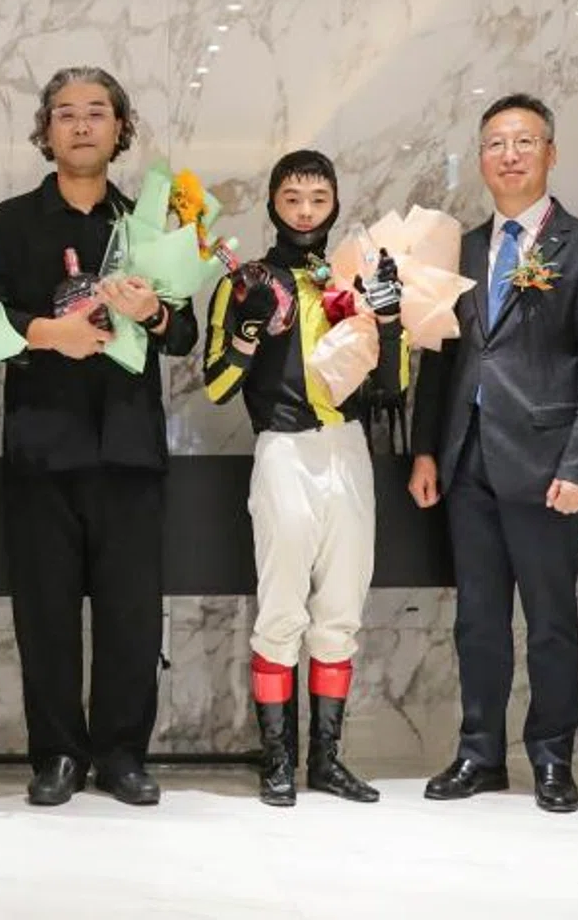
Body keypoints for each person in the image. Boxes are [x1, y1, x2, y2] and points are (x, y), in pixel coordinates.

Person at [0, 66, 199, 808]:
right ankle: (58, 756)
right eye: (65, 113)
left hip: (130, 450)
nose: (80, 125)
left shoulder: (150, 222)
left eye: (96, 112)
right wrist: (49, 333)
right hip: (42, 449)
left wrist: (154, 312)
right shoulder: (9, 222)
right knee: (45, 615)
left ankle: (124, 754)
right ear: (45, 131)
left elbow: (185, 328)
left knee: (133, 615)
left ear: (119, 128)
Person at [410, 92, 578, 814]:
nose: (509, 155)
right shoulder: (462, 249)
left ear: (550, 154)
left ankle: (553, 756)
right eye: (496, 143)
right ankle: (478, 752)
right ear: (480, 160)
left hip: (547, 468)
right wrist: (425, 453)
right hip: (467, 460)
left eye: (523, 142)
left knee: (551, 620)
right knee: (477, 619)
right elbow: (438, 361)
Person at [202, 150, 404, 807]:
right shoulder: (244, 281)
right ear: (272, 203)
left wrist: (393, 320)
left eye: (319, 198)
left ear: (337, 204)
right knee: (282, 608)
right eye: (293, 198)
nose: (306, 211)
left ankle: (328, 761)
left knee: (340, 611)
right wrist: (250, 331)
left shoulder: (351, 274)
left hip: (348, 448)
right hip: (282, 448)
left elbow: (393, 386)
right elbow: (216, 385)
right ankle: (278, 760)